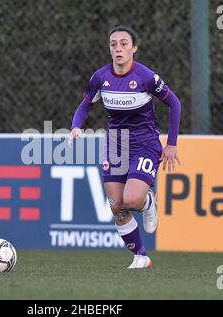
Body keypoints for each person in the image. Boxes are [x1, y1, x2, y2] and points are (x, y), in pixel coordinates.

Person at [69, 25, 182, 269]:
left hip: (145, 143)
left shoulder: (146, 77)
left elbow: (174, 104)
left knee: (131, 199)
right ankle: (141, 256)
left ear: (134, 48)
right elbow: (86, 104)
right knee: (116, 204)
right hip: (115, 144)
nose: (118, 48)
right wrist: (76, 125)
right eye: (113, 44)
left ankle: (148, 202)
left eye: (123, 44)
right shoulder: (100, 77)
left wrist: (171, 144)